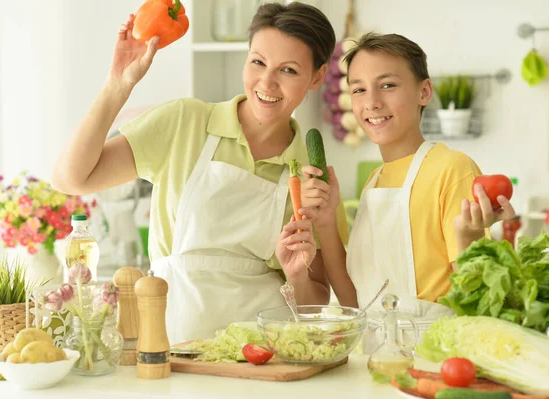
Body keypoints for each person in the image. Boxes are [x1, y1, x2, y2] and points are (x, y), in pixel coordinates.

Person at [50, 2, 349, 344]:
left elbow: (315, 302)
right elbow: (71, 178)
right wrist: (118, 83)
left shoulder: (312, 179)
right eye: (258, 62)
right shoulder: (186, 122)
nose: (266, 82)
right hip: (173, 345)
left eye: (289, 70)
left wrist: (296, 276)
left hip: (263, 355)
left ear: (318, 76)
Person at [300, 32, 515, 318]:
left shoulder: (452, 169)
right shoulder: (374, 181)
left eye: (387, 85)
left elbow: (478, 302)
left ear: (424, 91)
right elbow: (355, 303)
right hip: (377, 354)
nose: (372, 102)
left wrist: (469, 238)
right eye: (359, 90)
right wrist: (325, 222)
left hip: (436, 350)